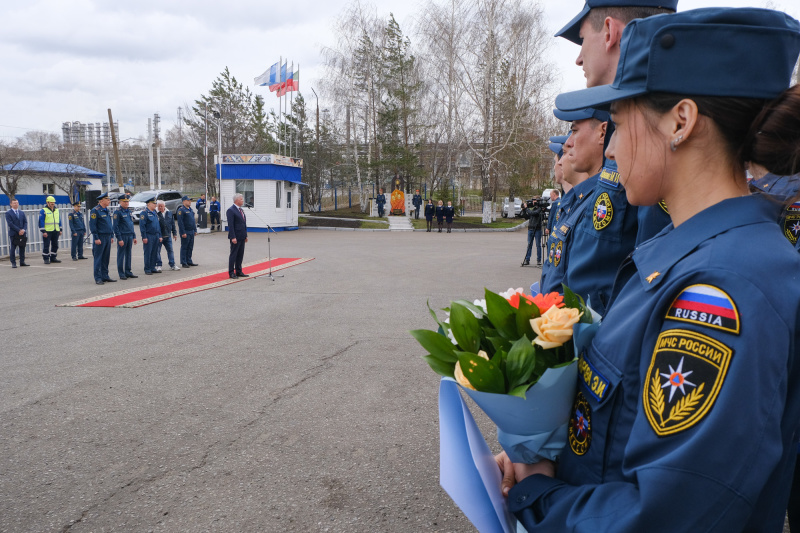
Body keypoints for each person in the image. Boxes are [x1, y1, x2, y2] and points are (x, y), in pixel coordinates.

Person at [499, 9, 800, 531]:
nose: (611, 146)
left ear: (681, 122)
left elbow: (666, 515)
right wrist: (544, 464)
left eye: (619, 121)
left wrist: (539, 496)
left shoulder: (723, 290)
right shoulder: (685, 254)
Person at [557, 0, 678, 248]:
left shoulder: (654, 122)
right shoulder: (629, 121)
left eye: (582, 40)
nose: (578, 59)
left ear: (610, 32)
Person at [540, 107, 609, 310]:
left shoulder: (598, 202)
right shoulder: (574, 202)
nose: (560, 162)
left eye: (575, 131)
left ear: (602, 132)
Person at [89, 192, 115, 284]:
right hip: (100, 237)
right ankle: (98, 277)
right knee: (98, 258)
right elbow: (92, 225)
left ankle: (105, 276)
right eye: (107, 199)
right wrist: (96, 237)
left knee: (106, 258)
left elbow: (109, 224)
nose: (109, 201)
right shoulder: (95, 210)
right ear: (102, 200)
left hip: (107, 236)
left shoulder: (106, 210)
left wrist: (111, 235)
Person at [112, 194, 138, 280]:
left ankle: (128, 271)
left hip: (129, 235)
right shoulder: (118, 212)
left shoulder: (129, 211)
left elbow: (131, 224)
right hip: (123, 236)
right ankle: (121, 273)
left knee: (128, 254)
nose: (127, 203)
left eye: (127, 201)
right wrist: (119, 238)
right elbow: (115, 227)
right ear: (120, 202)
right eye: (125, 201)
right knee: (121, 255)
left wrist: (134, 236)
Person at [227, 193, 249, 279]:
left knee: (240, 254)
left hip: (242, 236)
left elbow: (243, 223)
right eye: (241, 199)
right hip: (235, 236)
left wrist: (245, 235)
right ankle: (231, 272)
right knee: (234, 254)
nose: (243, 201)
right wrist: (233, 237)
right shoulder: (231, 210)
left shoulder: (241, 210)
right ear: (237, 200)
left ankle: (239, 271)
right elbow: (231, 225)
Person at [139, 197, 162, 275]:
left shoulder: (155, 212)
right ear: (148, 204)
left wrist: (159, 235)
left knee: (154, 252)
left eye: (155, 203)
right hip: (149, 235)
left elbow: (158, 225)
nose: (155, 205)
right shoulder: (144, 213)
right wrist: (144, 237)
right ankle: (147, 268)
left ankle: (152, 267)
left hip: (156, 235)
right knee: (148, 252)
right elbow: (142, 226)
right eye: (154, 203)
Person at [155, 200, 179, 271]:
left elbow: (173, 224)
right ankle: (159, 265)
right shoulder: (155, 213)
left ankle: (172, 264)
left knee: (170, 251)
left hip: (167, 236)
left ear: (164, 206)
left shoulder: (169, 213)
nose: (160, 207)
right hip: (159, 236)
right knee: (157, 251)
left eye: (161, 206)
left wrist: (174, 233)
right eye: (158, 206)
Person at [5, 198, 28, 268]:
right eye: (14, 203)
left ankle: (22, 262)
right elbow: (10, 224)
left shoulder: (21, 212)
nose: (16, 204)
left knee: (22, 247)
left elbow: (25, 222)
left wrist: (23, 230)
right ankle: (13, 263)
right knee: (13, 248)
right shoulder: (8, 213)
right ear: (11, 204)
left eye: (17, 203)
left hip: (22, 233)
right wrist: (18, 230)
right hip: (14, 233)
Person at [38, 195, 61, 264]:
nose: (53, 204)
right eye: (51, 202)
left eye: (53, 202)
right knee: (46, 245)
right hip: (47, 231)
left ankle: (53, 257)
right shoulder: (43, 211)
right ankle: (46, 258)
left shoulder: (56, 210)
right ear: (47, 203)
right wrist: (43, 231)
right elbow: (41, 221)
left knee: (55, 245)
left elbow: (59, 220)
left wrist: (60, 229)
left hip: (55, 230)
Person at [176, 195, 198, 268]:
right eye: (188, 200)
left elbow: (193, 221)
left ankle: (189, 260)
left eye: (190, 200)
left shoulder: (190, 209)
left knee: (190, 247)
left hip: (191, 231)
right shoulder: (181, 210)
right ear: (184, 201)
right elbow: (180, 222)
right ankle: (184, 262)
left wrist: (195, 230)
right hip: (186, 231)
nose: (189, 202)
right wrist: (183, 232)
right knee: (184, 247)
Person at [521, 198, 543, 266]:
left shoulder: (540, 209)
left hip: (537, 229)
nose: (533, 202)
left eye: (534, 201)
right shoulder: (533, 208)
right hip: (530, 228)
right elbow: (526, 216)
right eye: (533, 201)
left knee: (538, 245)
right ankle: (527, 260)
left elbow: (533, 213)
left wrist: (527, 208)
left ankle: (539, 260)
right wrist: (524, 209)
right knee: (529, 245)